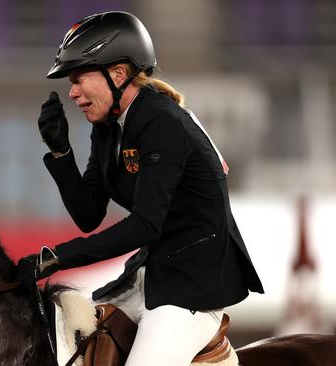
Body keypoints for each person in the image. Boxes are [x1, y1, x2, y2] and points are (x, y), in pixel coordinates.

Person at [17, 11, 264, 366]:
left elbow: (145, 225)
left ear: (118, 74)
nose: (72, 93)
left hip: (193, 290)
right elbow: (88, 214)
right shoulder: (109, 126)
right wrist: (61, 152)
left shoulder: (161, 121)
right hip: (152, 274)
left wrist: (56, 258)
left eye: (78, 79)